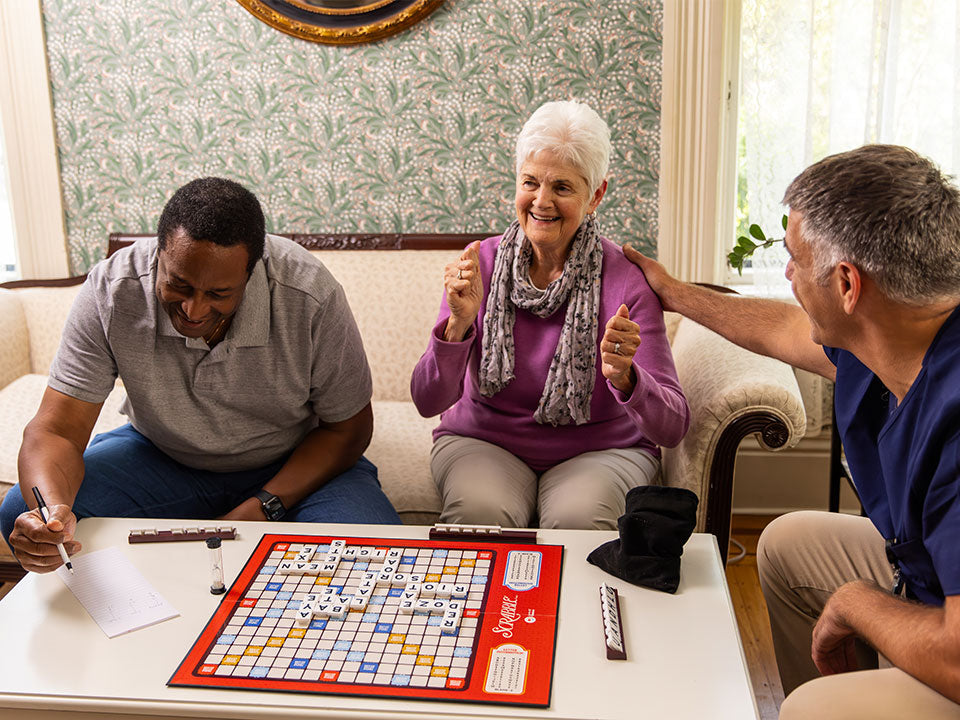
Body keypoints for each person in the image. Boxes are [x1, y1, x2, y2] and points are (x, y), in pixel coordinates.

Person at [624, 145, 960, 718]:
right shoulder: (895, 331)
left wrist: (857, 604)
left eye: (795, 260)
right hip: (930, 578)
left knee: (812, 708)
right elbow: (783, 328)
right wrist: (673, 292)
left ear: (848, 285)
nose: (787, 275)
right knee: (787, 544)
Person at [0, 177, 400, 573]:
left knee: (371, 562)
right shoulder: (111, 290)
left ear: (251, 273)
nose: (192, 310)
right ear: (159, 254)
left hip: (290, 462)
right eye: (179, 285)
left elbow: (349, 429)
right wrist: (49, 517)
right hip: (162, 458)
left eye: (218, 294)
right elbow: (58, 431)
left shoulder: (310, 294)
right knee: (20, 509)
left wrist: (263, 507)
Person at [410, 100, 690, 530]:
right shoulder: (478, 264)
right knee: (479, 518)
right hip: (483, 443)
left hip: (600, 450)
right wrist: (457, 325)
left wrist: (627, 378)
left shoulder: (627, 281)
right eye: (530, 182)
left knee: (577, 521)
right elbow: (428, 400)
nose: (541, 202)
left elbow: (671, 428)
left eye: (562, 187)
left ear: (596, 195)